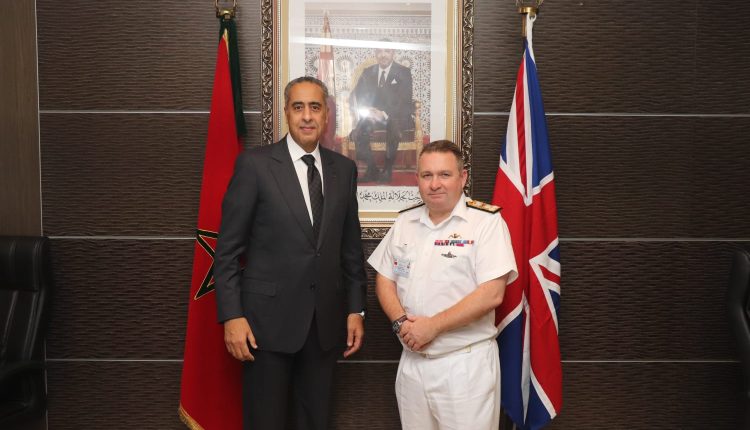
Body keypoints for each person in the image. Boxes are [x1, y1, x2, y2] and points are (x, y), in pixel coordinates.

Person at [214, 76, 367, 430]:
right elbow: (227, 252)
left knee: (316, 421)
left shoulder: (343, 170)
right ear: (286, 112)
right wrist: (232, 316)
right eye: (298, 107)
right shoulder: (255, 166)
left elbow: (350, 249)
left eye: (315, 107)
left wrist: (356, 309)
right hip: (264, 327)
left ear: (326, 114)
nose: (307, 116)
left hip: (324, 326)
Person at [367, 140, 518, 430]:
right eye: (427, 175)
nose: (434, 184)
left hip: (463, 366)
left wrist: (433, 326)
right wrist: (401, 322)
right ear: (418, 179)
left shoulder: (485, 223)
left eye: (444, 175)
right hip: (412, 362)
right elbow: (385, 278)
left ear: (463, 177)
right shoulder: (405, 222)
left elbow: (492, 294)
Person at [349, 41, 414, 183]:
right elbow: (358, 95)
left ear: (393, 53)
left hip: (396, 115)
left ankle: (387, 170)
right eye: (379, 51)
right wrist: (369, 110)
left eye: (387, 51)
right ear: (375, 53)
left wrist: (384, 113)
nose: (383, 55)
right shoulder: (368, 72)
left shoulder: (404, 72)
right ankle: (371, 168)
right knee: (360, 129)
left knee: (393, 125)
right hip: (373, 116)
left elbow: (405, 100)